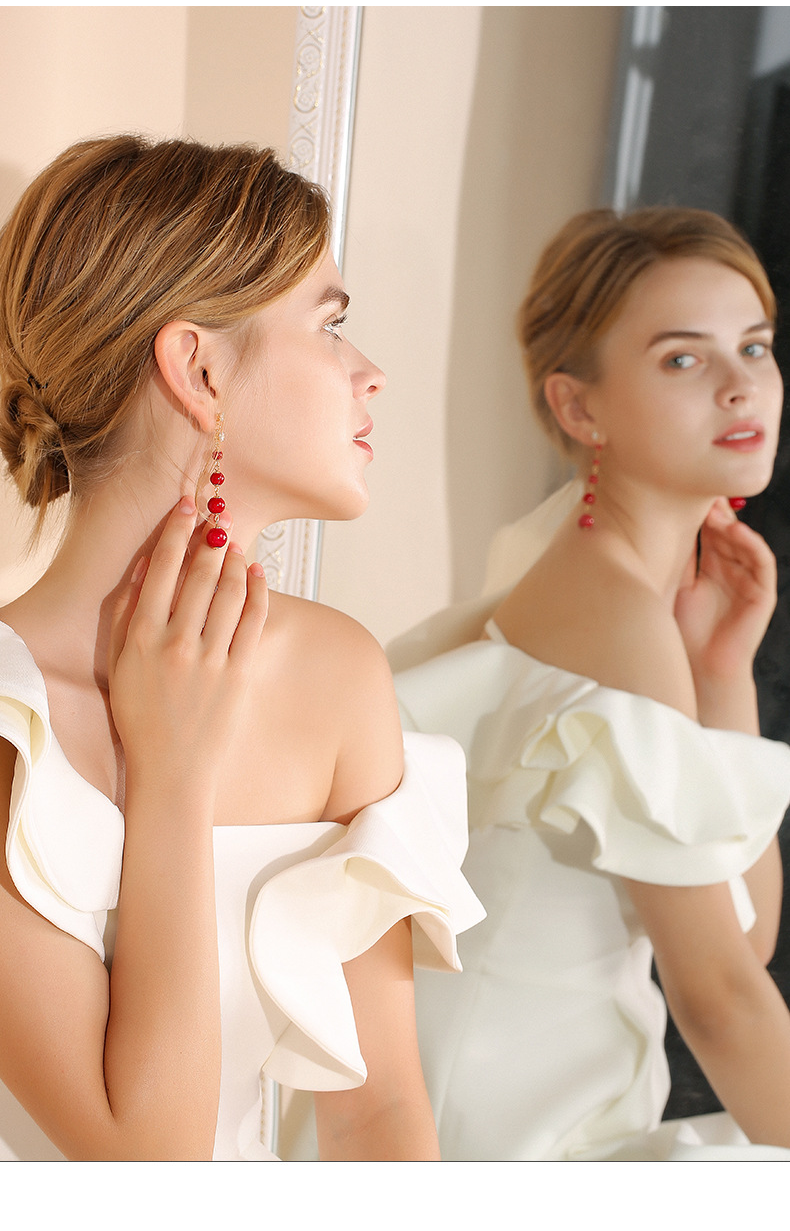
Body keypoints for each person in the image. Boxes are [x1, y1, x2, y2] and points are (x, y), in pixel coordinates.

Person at [0, 134, 483, 1162]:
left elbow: (380, 1111)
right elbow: (148, 1167)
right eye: (331, 326)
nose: (372, 374)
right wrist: (172, 773)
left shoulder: (337, 676)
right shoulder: (9, 728)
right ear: (199, 369)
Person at [392, 206, 790, 1160]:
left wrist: (722, 671)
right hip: (499, 1139)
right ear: (578, 408)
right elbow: (720, 995)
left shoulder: (599, 575)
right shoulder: (610, 610)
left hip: (571, 1101)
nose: (741, 385)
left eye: (755, 346)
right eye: (683, 359)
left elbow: (748, 934)